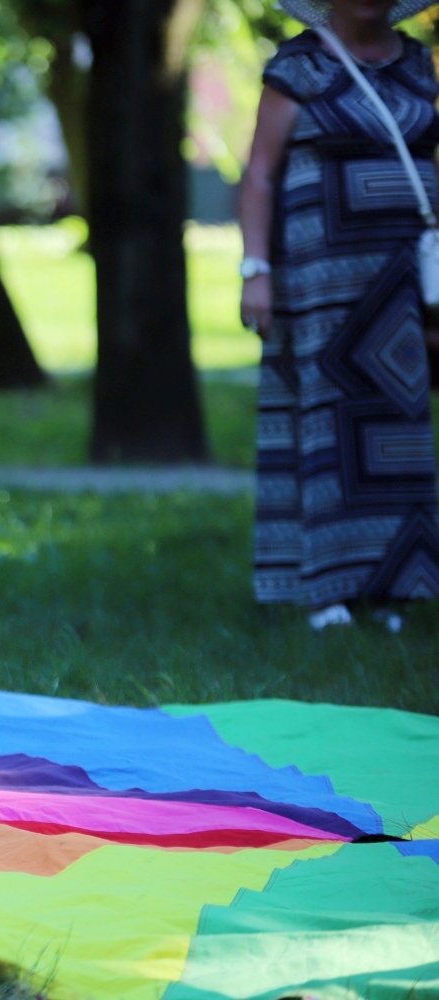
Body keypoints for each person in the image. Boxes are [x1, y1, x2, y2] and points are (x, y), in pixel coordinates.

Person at [240, 0, 439, 632]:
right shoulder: (298, 66)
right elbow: (260, 174)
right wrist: (256, 270)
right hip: (319, 285)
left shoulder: (418, 64)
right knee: (324, 425)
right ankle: (328, 587)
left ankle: (394, 585)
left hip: (405, 285)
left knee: (399, 426)